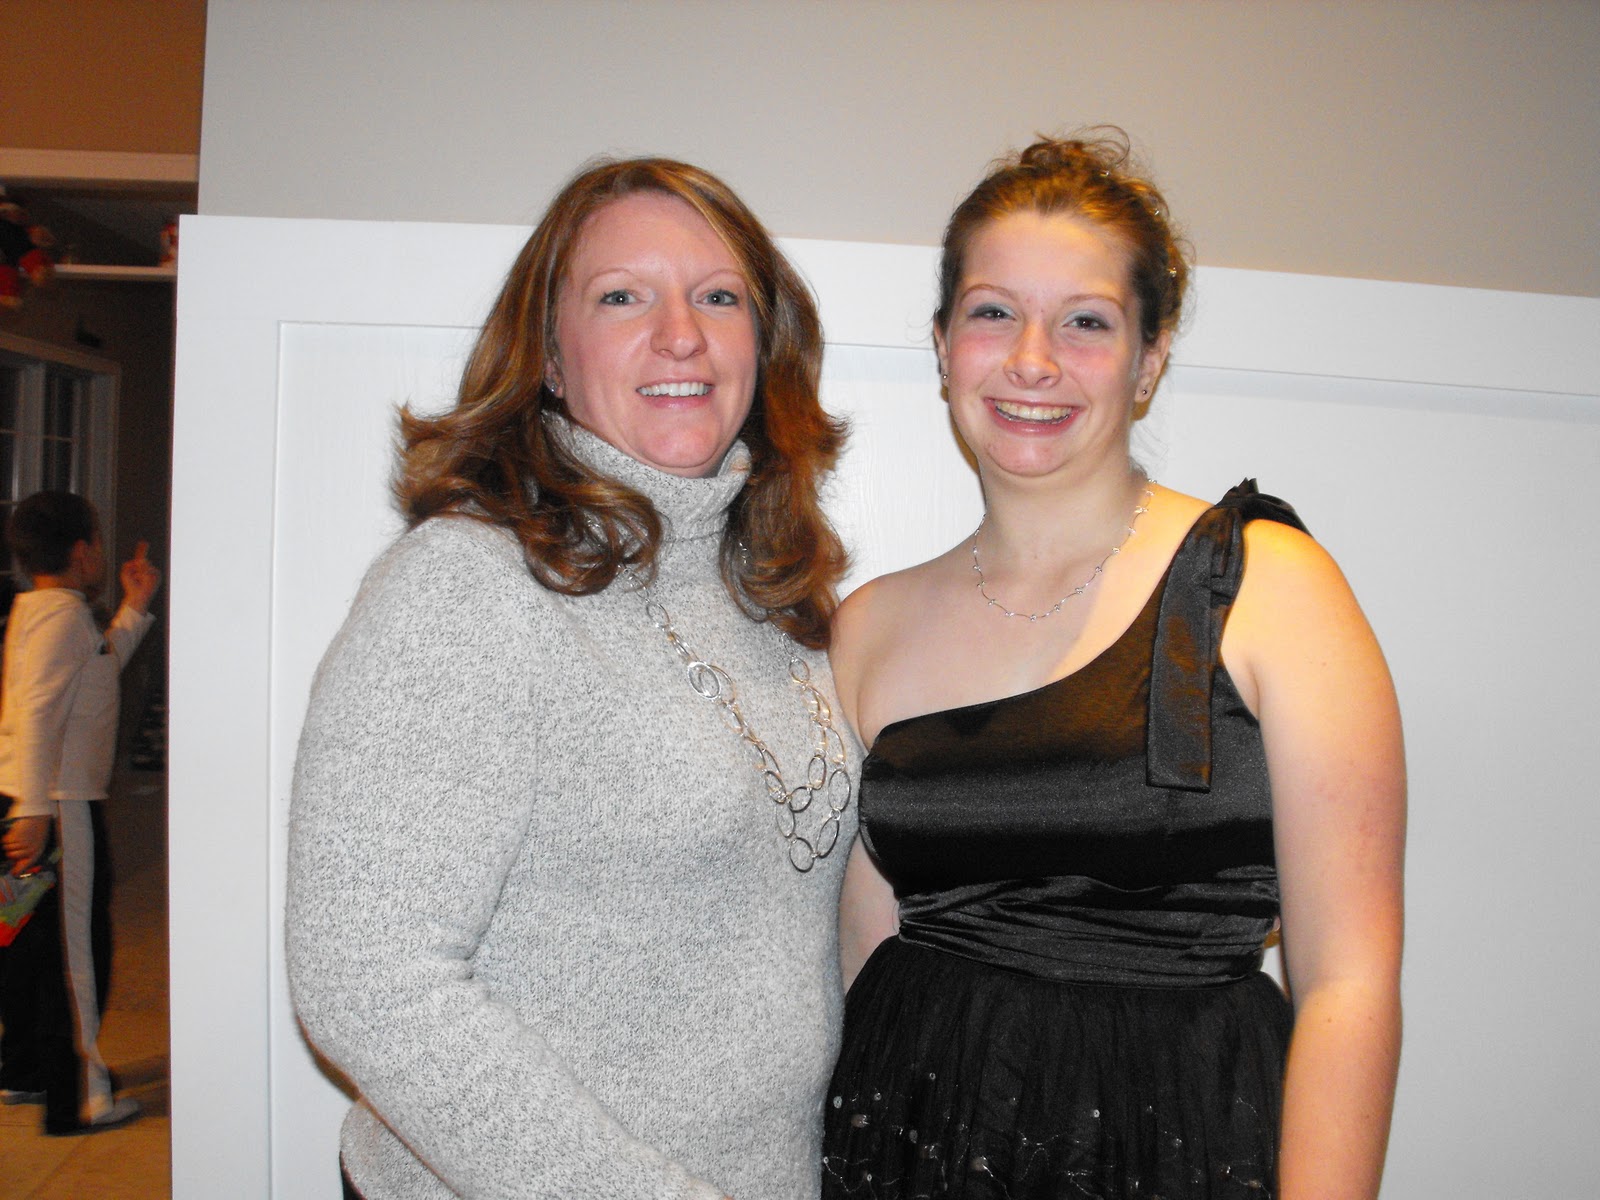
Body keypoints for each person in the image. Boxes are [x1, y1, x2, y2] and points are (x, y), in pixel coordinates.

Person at [821, 132, 1405, 1199]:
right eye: (993, 312)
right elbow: (865, 953)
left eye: (1085, 322)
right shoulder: (867, 628)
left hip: (1177, 1141)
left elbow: (1348, 985)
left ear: (1150, 358)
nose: (1032, 359)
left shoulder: (1271, 588)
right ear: (943, 343)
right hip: (907, 1144)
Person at [285, 157, 857, 1200]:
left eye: (718, 297)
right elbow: (368, 980)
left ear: (762, 346)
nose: (680, 334)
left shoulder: (776, 594)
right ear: (549, 356)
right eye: (622, 297)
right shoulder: (466, 586)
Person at [0, 491, 160, 1135]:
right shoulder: (63, 617)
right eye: (95, 540)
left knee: (26, 946)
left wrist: (133, 607)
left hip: (33, 801)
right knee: (76, 953)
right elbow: (39, 713)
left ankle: (26, 1068)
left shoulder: (44, 611)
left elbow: (90, 676)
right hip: (57, 808)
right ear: (81, 551)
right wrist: (35, 810)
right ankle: (84, 1095)